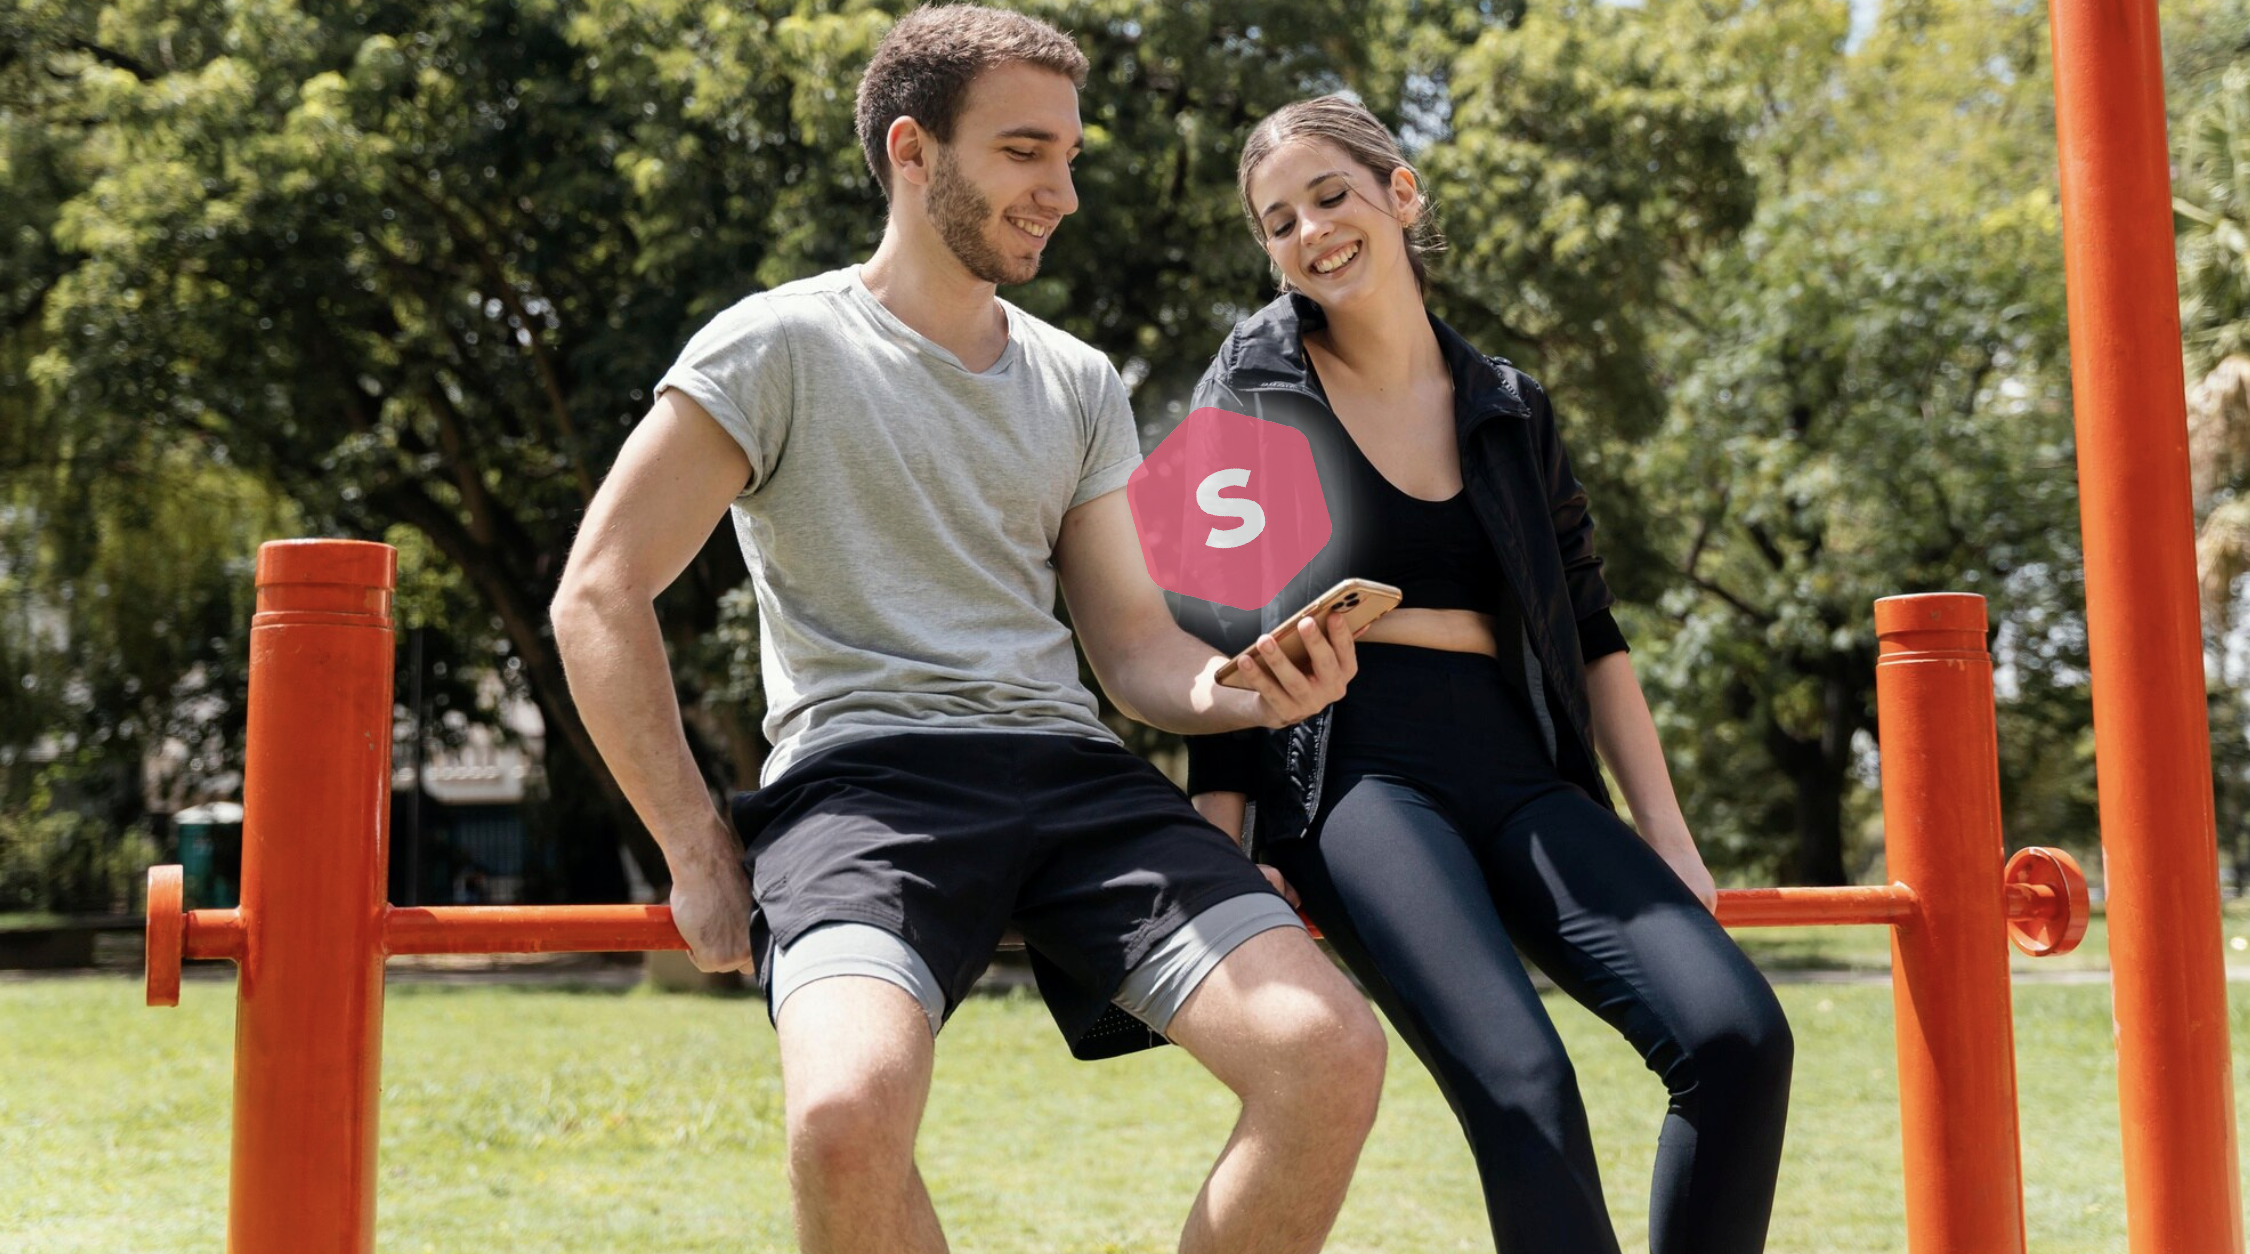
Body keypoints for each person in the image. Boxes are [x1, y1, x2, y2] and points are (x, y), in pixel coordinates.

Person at [550, 11, 1386, 1254]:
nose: (1062, 192)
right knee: (843, 1117)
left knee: (1328, 1053)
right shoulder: (775, 344)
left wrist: (1244, 689)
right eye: (1025, 153)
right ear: (913, 150)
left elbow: (1135, 651)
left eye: (1071, 156)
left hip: (1072, 782)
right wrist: (692, 845)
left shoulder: (1078, 380)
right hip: (863, 786)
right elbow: (598, 592)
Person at [1173, 95, 1794, 1254]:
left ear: (1400, 196)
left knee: (1738, 1039)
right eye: (1277, 221)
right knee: (1525, 1087)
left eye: (1329, 196)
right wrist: (1225, 848)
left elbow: (1594, 632)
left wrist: (1666, 831)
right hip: (1353, 774)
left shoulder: (1510, 404)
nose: (1307, 231)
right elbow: (1213, 638)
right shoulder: (1244, 385)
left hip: (1521, 762)